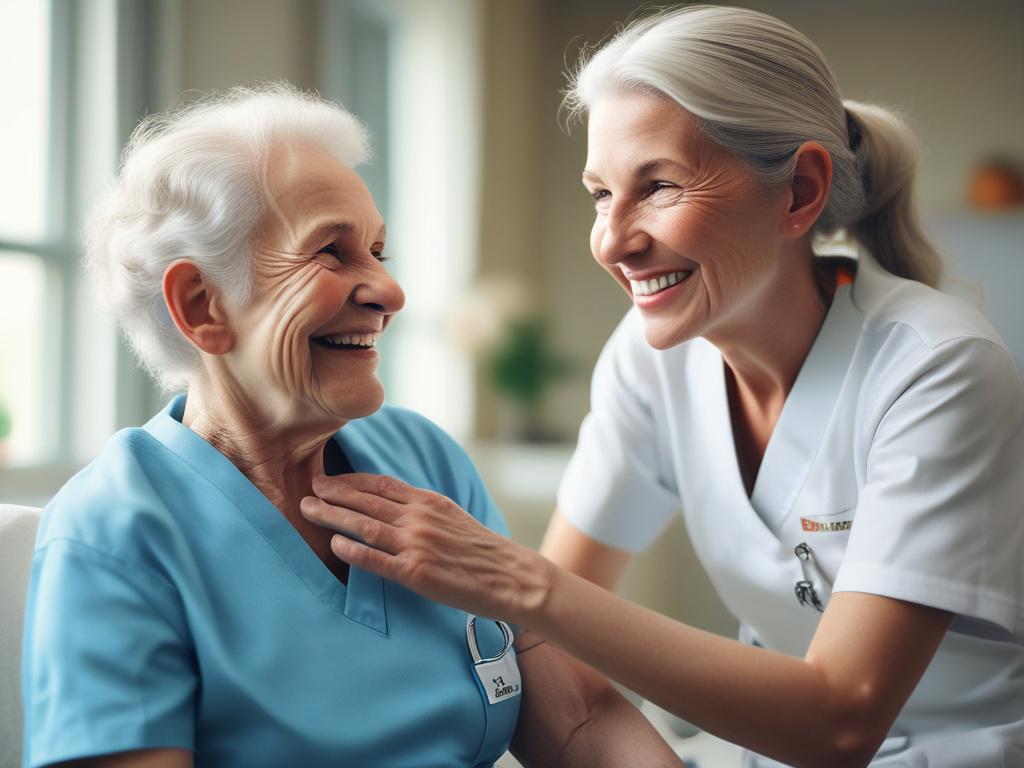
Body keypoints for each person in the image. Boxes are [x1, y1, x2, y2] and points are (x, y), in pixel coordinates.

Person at [301, 6, 1024, 767]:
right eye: (599, 194)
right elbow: (554, 646)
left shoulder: (936, 367)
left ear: (800, 191)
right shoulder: (654, 359)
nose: (612, 240)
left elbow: (843, 721)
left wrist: (513, 579)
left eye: (660, 185)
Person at [20, 85, 682, 768]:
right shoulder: (115, 530)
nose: (390, 292)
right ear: (201, 304)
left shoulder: (423, 457)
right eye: (331, 254)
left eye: (377, 253)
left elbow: (583, 725)